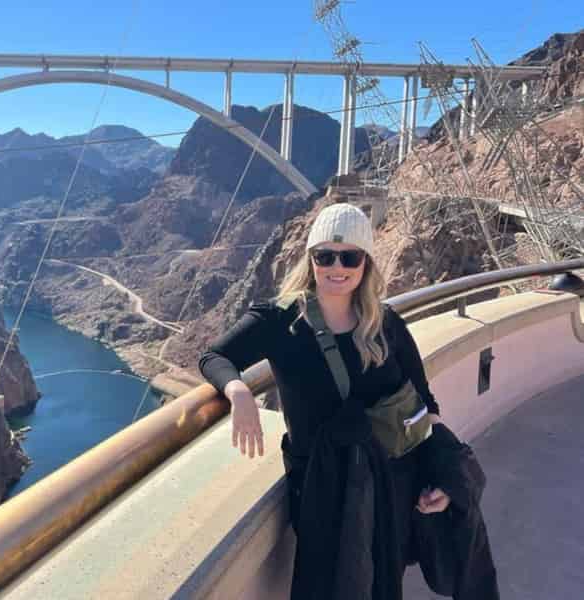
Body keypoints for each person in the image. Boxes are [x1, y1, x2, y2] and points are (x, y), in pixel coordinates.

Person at [198, 202, 498, 599]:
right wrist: (239, 392)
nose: (336, 267)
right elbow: (214, 357)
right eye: (325, 256)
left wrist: (444, 474)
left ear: (366, 263)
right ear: (310, 259)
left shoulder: (385, 324)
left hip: (390, 487)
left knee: (381, 581)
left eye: (350, 257)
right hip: (323, 490)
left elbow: (424, 405)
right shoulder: (279, 321)